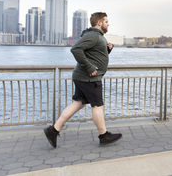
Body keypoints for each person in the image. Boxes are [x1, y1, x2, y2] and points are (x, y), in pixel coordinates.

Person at [44, 12, 122, 148]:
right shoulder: (93, 36)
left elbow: (94, 54)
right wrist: (90, 67)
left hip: (83, 77)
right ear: (99, 23)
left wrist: (107, 50)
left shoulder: (97, 37)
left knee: (77, 103)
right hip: (89, 79)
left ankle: (53, 130)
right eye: (106, 21)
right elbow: (76, 49)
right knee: (97, 106)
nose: (108, 24)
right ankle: (103, 135)